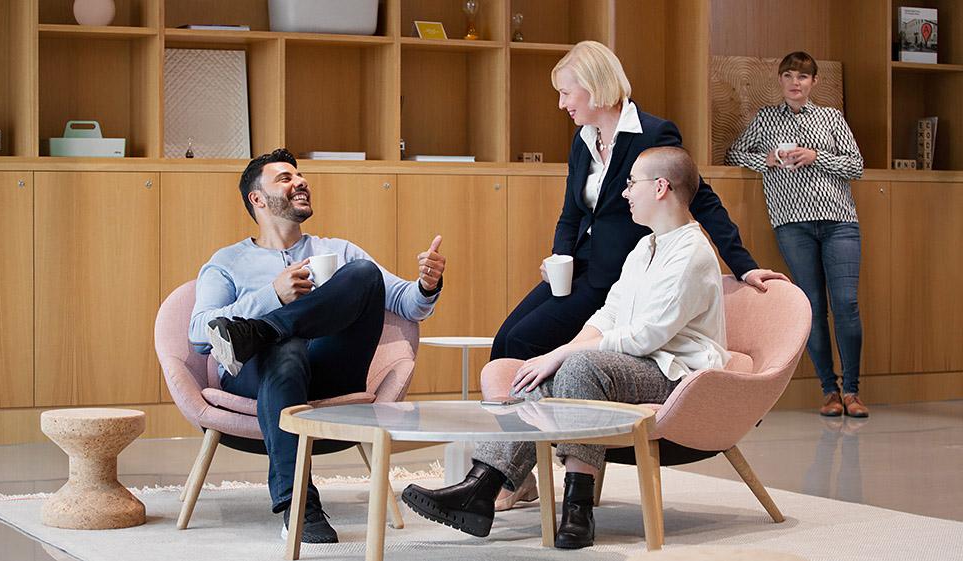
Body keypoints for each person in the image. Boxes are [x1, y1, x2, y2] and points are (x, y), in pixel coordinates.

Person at [402, 146, 730, 549]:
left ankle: (575, 507)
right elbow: (608, 315)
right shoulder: (645, 247)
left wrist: (564, 355)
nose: (625, 193)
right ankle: (481, 487)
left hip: (674, 376)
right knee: (530, 381)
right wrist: (558, 354)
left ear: (661, 187)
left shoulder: (692, 252)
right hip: (634, 365)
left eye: (631, 184)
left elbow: (648, 336)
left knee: (578, 367)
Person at [189, 148, 446, 543]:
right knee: (286, 350)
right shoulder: (228, 262)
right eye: (285, 178)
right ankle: (300, 508)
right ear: (257, 199)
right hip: (258, 376)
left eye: (300, 175)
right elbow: (198, 331)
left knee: (362, 274)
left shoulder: (339, 251)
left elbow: (406, 304)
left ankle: (264, 330)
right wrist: (272, 295)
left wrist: (428, 284)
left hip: (329, 369)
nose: (300, 182)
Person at [492, 39, 784, 364]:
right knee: (505, 338)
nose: (561, 104)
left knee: (523, 340)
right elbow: (571, 213)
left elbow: (700, 198)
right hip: (578, 266)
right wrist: (560, 257)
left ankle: (530, 415)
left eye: (565, 93)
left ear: (593, 86)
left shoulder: (653, 134)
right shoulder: (582, 139)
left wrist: (744, 267)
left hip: (617, 272)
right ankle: (513, 411)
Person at [724, 51, 868, 418]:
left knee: (846, 304)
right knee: (812, 309)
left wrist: (815, 156)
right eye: (788, 75)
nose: (795, 82)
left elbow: (856, 165)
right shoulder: (766, 118)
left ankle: (852, 390)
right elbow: (734, 153)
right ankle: (829, 391)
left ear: (814, 82)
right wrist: (768, 159)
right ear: (780, 80)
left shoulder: (832, 118)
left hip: (840, 221)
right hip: (792, 224)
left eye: (802, 77)